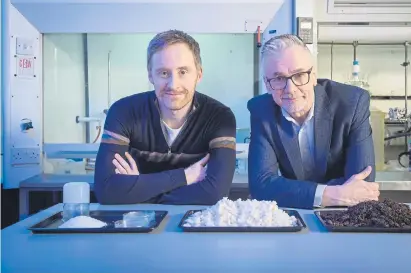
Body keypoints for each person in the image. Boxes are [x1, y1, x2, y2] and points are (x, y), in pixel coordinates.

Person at [94, 30, 237, 205]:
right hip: (137, 223)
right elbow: (107, 190)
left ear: (199, 75)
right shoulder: (124, 112)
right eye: (163, 73)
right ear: (150, 75)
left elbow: (215, 194)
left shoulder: (219, 117)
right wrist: (184, 176)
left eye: (183, 72)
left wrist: (138, 190)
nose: (173, 84)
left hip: (193, 226)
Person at [247, 34, 379, 209]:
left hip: (343, 215)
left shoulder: (352, 102)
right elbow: (261, 186)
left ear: (314, 75)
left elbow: (363, 182)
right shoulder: (260, 110)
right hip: (296, 217)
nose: (291, 89)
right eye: (278, 78)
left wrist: (293, 192)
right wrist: (333, 194)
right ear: (267, 83)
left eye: (300, 75)